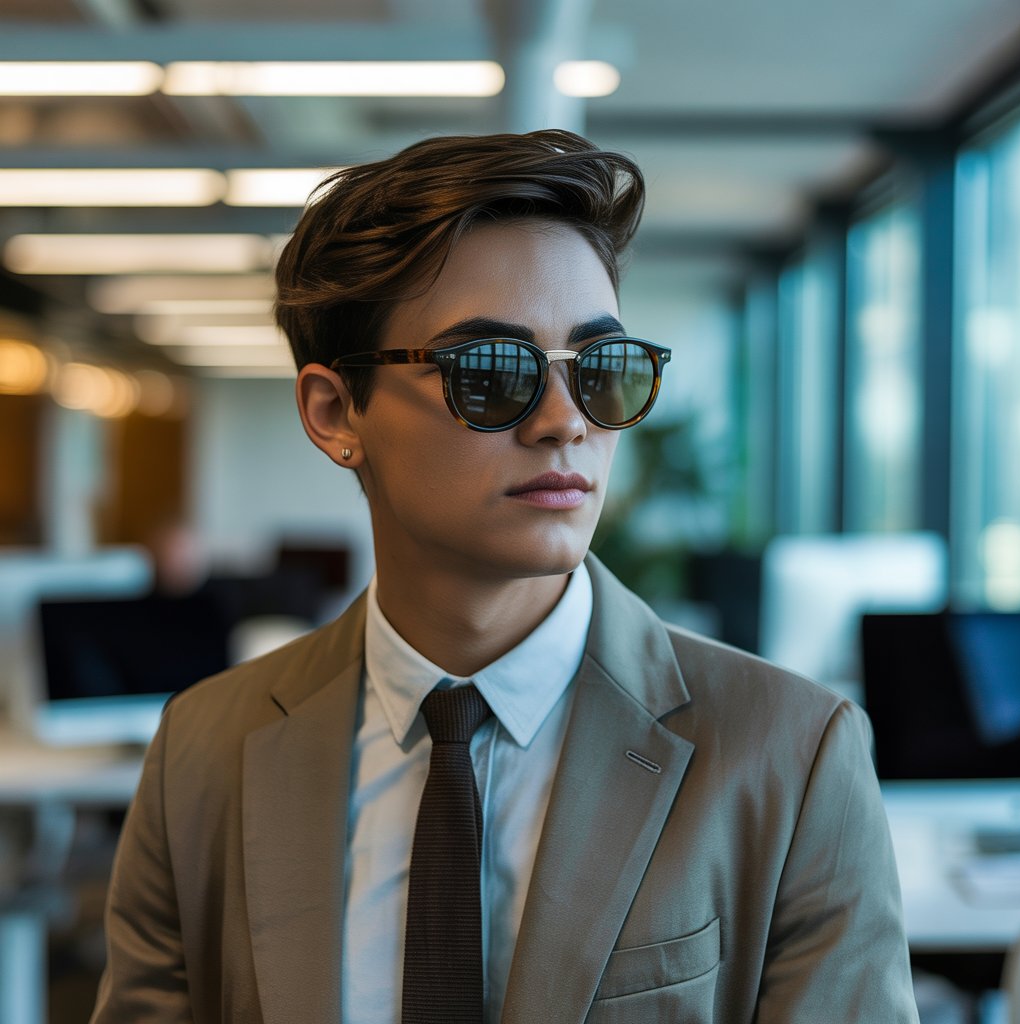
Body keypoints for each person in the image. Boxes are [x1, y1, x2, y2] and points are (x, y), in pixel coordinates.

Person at [91, 130, 919, 1024]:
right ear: (336, 412)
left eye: (600, 370)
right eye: (490, 373)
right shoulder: (203, 751)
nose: (566, 422)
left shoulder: (792, 757)